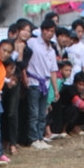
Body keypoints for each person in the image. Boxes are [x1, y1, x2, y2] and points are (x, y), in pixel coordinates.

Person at [26, 20, 59, 148]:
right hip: (34, 81)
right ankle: (33, 138)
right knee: (33, 112)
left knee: (42, 113)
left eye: (52, 31)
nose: (49, 34)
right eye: (47, 30)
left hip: (45, 83)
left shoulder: (51, 49)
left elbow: (53, 71)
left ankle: (40, 136)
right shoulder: (32, 42)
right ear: (42, 30)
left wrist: (55, 89)